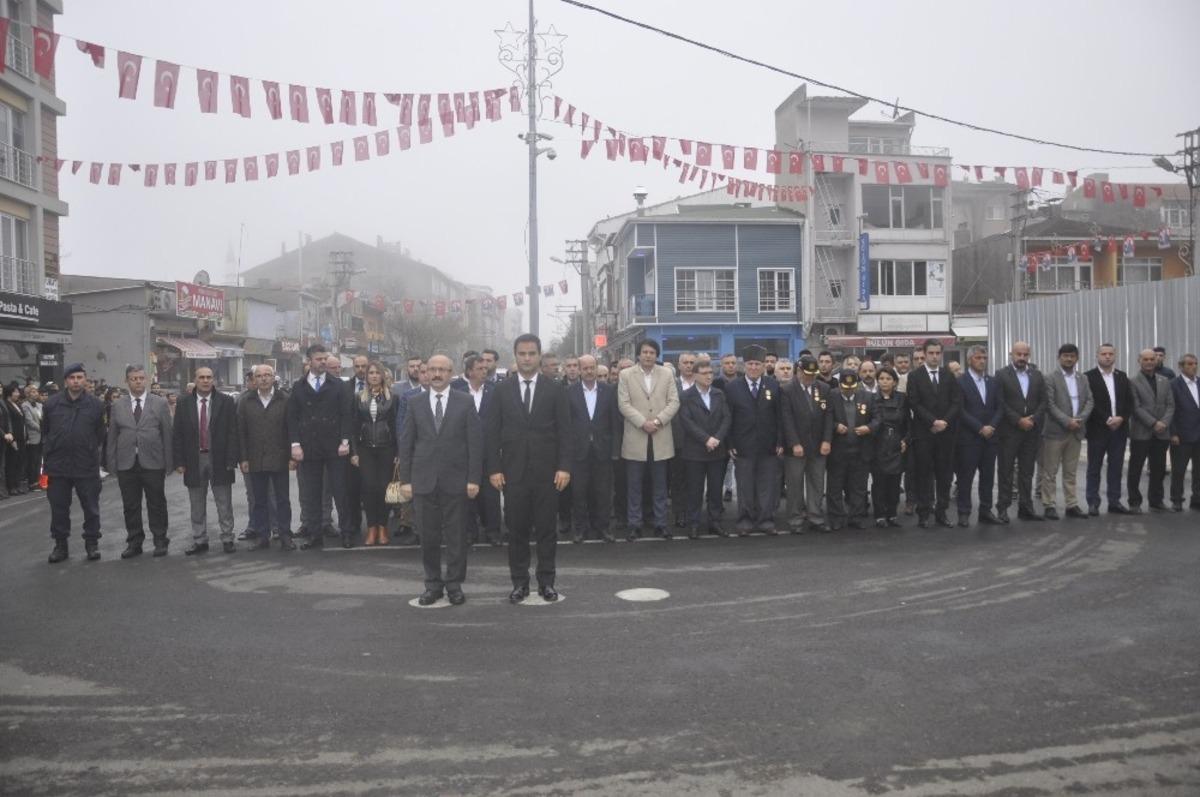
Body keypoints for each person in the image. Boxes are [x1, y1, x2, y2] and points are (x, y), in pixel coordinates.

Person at [487, 334, 571, 603]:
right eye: (522, 354)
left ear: (539, 355)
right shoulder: (501, 390)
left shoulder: (555, 389)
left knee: (547, 531)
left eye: (531, 353)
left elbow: (565, 432)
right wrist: (494, 469)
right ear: (515, 355)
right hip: (513, 474)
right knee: (517, 532)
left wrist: (564, 467)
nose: (526, 358)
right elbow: (492, 434)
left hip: (548, 474)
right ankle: (520, 583)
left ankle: (546, 583)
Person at [398, 354, 481, 606]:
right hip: (423, 481)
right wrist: (405, 480)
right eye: (431, 369)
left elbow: (475, 444)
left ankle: (454, 584)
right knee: (429, 537)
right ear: (426, 372)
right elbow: (406, 443)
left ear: (451, 372)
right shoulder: (415, 402)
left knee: (456, 537)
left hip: (456, 481)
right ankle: (432, 585)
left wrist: (474, 478)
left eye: (441, 370)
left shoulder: (465, 402)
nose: (436, 374)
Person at [288, 343, 355, 550]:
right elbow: (292, 417)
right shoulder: (299, 387)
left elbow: (347, 414)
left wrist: (345, 441)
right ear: (309, 361)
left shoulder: (338, 385)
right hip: (309, 447)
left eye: (325, 358)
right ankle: (315, 535)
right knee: (312, 493)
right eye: (319, 359)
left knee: (340, 492)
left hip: (335, 447)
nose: (323, 362)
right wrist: (295, 445)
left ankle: (347, 533)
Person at [107, 365, 174, 558]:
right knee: (131, 505)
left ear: (146, 380)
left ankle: (160, 540)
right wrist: (111, 463)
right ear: (126, 381)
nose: (137, 381)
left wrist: (169, 462)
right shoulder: (118, 405)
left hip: (153, 462)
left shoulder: (160, 403)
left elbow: (167, 434)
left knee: (157, 503)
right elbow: (112, 436)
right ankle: (134, 542)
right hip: (127, 463)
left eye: (140, 378)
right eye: (133, 378)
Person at [617, 339, 680, 539]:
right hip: (636, 436)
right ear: (638, 354)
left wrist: (658, 421)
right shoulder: (626, 375)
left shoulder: (666, 374)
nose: (648, 355)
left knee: (660, 485)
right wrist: (643, 422)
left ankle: (660, 523)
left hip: (660, 437)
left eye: (652, 352)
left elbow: (674, 401)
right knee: (634, 485)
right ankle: (634, 524)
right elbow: (623, 404)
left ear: (657, 355)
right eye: (644, 352)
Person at [43, 364, 106, 563]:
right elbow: (46, 431)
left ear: (85, 380)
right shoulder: (51, 404)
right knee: (59, 508)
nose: (76, 381)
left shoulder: (96, 405)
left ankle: (92, 543)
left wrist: (87, 448)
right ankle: (60, 546)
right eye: (72, 377)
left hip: (85, 464)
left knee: (91, 507)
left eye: (80, 377)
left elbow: (100, 434)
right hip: (58, 466)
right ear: (66, 381)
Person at [174, 366, 239, 555]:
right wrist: (179, 461)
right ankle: (200, 539)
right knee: (196, 503)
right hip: (194, 459)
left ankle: (227, 538)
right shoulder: (184, 402)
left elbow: (232, 432)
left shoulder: (226, 402)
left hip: (219, 458)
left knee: (224, 502)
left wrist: (231, 459)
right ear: (195, 379)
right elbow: (177, 434)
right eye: (201, 377)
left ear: (214, 380)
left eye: (209, 377)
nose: (205, 380)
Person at [725, 344, 783, 536]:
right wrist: (730, 444)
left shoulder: (773, 385)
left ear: (764, 366)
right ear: (745, 365)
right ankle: (745, 520)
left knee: (767, 486)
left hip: (768, 445)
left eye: (758, 364)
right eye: (750, 364)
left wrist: (780, 442)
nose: (754, 367)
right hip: (743, 446)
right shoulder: (733, 387)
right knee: (745, 486)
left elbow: (780, 417)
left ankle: (766, 520)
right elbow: (728, 418)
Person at [906, 339, 963, 528]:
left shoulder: (948, 375)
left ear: (941, 354)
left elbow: (956, 401)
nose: (934, 356)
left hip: (946, 434)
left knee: (944, 474)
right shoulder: (915, 376)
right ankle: (923, 512)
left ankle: (942, 512)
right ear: (925, 353)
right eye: (931, 353)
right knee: (924, 474)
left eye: (938, 353)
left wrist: (944, 421)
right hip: (924, 433)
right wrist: (933, 421)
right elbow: (914, 403)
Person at [237, 364, 294, 551]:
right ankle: (263, 536)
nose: (263, 379)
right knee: (259, 500)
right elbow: (241, 432)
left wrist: (292, 456)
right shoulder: (246, 401)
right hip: (255, 459)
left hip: (280, 458)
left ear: (274, 377)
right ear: (254, 379)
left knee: (283, 500)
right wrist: (243, 458)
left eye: (267, 375)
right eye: (259, 376)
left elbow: (291, 430)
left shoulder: (284, 399)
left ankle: (285, 535)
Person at [567, 354, 618, 543]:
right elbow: (566, 424)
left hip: (602, 450)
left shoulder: (609, 391)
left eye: (592, 368)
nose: (589, 371)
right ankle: (580, 529)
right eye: (585, 368)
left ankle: (603, 528)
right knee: (579, 492)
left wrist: (614, 450)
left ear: (597, 369)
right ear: (579, 370)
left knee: (603, 492)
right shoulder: (569, 392)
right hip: (578, 452)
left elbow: (614, 423)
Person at [995, 341, 1048, 523]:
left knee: (1027, 471)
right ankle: (1002, 508)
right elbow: (1000, 402)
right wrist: (1018, 420)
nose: (1022, 358)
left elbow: (1043, 401)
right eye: (1019, 354)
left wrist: (1032, 420)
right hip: (1009, 431)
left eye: (1025, 354)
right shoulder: (1001, 375)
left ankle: (1026, 508)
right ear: (1012, 354)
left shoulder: (1037, 375)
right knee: (1006, 470)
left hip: (1031, 431)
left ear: (1029, 355)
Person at [1040, 344, 1094, 520]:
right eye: (1065, 356)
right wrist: (1067, 421)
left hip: (1076, 431)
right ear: (1059, 357)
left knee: (1071, 471)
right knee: (1050, 471)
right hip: (1055, 432)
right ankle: (1049, 504)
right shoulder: (1049, 378)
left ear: (1077, 358)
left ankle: (1071, 504)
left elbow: (1089, 401)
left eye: (1072, 356)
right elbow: (1049, 404)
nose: (1069, 359)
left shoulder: (1083, 378)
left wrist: (1079, 420)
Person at [679, 360, 731, 538]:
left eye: (711, 373)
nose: (709, 376)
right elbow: (687, 422)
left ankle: (714, 522)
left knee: (716, 490)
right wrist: (706, 439)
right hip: (695, 451)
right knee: (695, 490)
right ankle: (693, 523)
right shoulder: (686, 396)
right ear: (694, 375)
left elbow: (726, 418)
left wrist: (717, 438)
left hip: (716, 449)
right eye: (705, 373)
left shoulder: (719, 394)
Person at [780, 355, 832, 533]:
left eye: (813, 374)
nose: (810, 377)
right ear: (799, 371)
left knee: (817, 483)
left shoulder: (824, 388)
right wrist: (794, 442)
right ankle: (795, 519)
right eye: (807, 374)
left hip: (818, 445)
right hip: (796, 447)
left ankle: (815, 516)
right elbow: (786, 419)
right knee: (794, 484)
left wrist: (827, 440)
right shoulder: (787, 390)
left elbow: (828, 417)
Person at [350, 361, 398, 546]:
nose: (374, 376)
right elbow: (353, 427)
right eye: (371, 373)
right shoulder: (358, 398)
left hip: (387, 449)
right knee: (369, 489)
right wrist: (354, 452)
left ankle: (383, 527)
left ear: (383, 376)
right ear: (366, 376)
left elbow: (396, 427)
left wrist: (399, 452)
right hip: (365, 449)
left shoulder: (393, 398)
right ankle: (371, 528)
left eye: (377, 373)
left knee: (383, 489)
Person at [1084, 344, 1135, 515]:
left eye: (1110, 354)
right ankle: (1093, 502)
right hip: (1098, 429)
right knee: (1094, 467)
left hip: (1119, 430)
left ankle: (1114, 501)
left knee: (1116, 467)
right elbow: (1090, 403)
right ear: (1097, 356)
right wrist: (1107, 418)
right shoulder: (1088, 377)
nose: (1107, 357)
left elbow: (1130, 401)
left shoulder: (1122, 376)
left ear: (1115, 356)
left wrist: (1121, 417)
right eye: (1104, 354)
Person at [456, 354, 501, 545]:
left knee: (491, 494)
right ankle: (469, 532)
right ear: (469, 371)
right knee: (466, 494)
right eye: (480, 368)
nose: (485, 371)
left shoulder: (494, 391)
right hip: (463, 451)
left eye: (486, 368)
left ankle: (493, 532)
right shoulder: (456, 390)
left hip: (489, 450)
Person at [955, 346, 1002, 527]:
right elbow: (960, 410)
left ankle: (985, 510)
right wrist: (979, 427)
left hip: (990, 437)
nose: (982, 361)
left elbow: (1000, 407)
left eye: (984, 357)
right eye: (978, 358)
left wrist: (992, 426)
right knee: (966, 477)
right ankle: (964, 511)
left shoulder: (993, 381)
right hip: (969, 438)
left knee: (988, 477)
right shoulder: (961, 382)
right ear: (969, 360)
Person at [826, 371, 878, 530]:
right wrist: (835, 426)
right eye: (845, 387)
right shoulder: (831, 396)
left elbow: (877, 418)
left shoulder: (867, 397)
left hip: (860, 449)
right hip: (838, 450)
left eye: (852, 387)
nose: (848, 390)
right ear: (839, 384)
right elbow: (824, 417)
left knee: (859, 487)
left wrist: (868, 428)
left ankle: (856, 516)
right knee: (835, 486)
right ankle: (836, 518)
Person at [1128, 348, 1174, 513]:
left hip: (1161, 433)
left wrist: (1164, 423)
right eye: (1145, 359)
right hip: (1141, 432)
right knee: (1136, 468)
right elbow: (1136, 407)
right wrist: (1154, 422)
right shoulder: (1132, 381)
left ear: (1157, 361)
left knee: (1159, 469)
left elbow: (1170, 405)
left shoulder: (1164, 380)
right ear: (1139, 361)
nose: (1149, 362)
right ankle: (1134, 502)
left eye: (1152, 359)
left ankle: (1156, 500)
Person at [871, 367, 907, 526]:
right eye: (881, 378)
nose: (884, 381)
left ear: (894, 382)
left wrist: (906, 439)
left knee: (894, 482)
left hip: (897, 444)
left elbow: (908, 423)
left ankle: (892, 513)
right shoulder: (871, 398)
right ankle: (879, 515)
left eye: (888, 379)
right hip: (878, 444)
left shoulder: (902, 398)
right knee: (879, 482)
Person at [1169, 353, 1200, 511]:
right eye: (1189, 364)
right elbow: (1170, 410)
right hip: (1181, 435)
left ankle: (1197, 499)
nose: (1193, 366)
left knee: (1198, 471)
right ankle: (1177, 499)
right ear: (1181, 366)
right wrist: (1173, 433)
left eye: (1195, 363)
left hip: (1199, 434)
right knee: (1179, 470)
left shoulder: (1199, 383)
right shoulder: (1174, 385)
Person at [3, 383, 26, 495]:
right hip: (13, 438)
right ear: (9, 393)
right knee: (12, 462)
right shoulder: (6, 405)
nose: (18, 394)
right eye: (15, 392)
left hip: (22, 437)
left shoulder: (17, 404)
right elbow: (10, 423)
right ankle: (11, 486)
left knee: (19, 461)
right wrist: (13, 439)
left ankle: (17, 484)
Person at [22, 385, 43, 491]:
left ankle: (38, 481)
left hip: (41, 436)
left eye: (36, 391)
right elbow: (29, 421)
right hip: (32, 436)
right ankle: (32, 483)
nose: (36, 393)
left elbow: (44, 417)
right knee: (32, 461)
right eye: (33, 391)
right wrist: (41, 428)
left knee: (39, 460)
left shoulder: (39, 405)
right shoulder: (25, 405)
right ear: (27, 393)